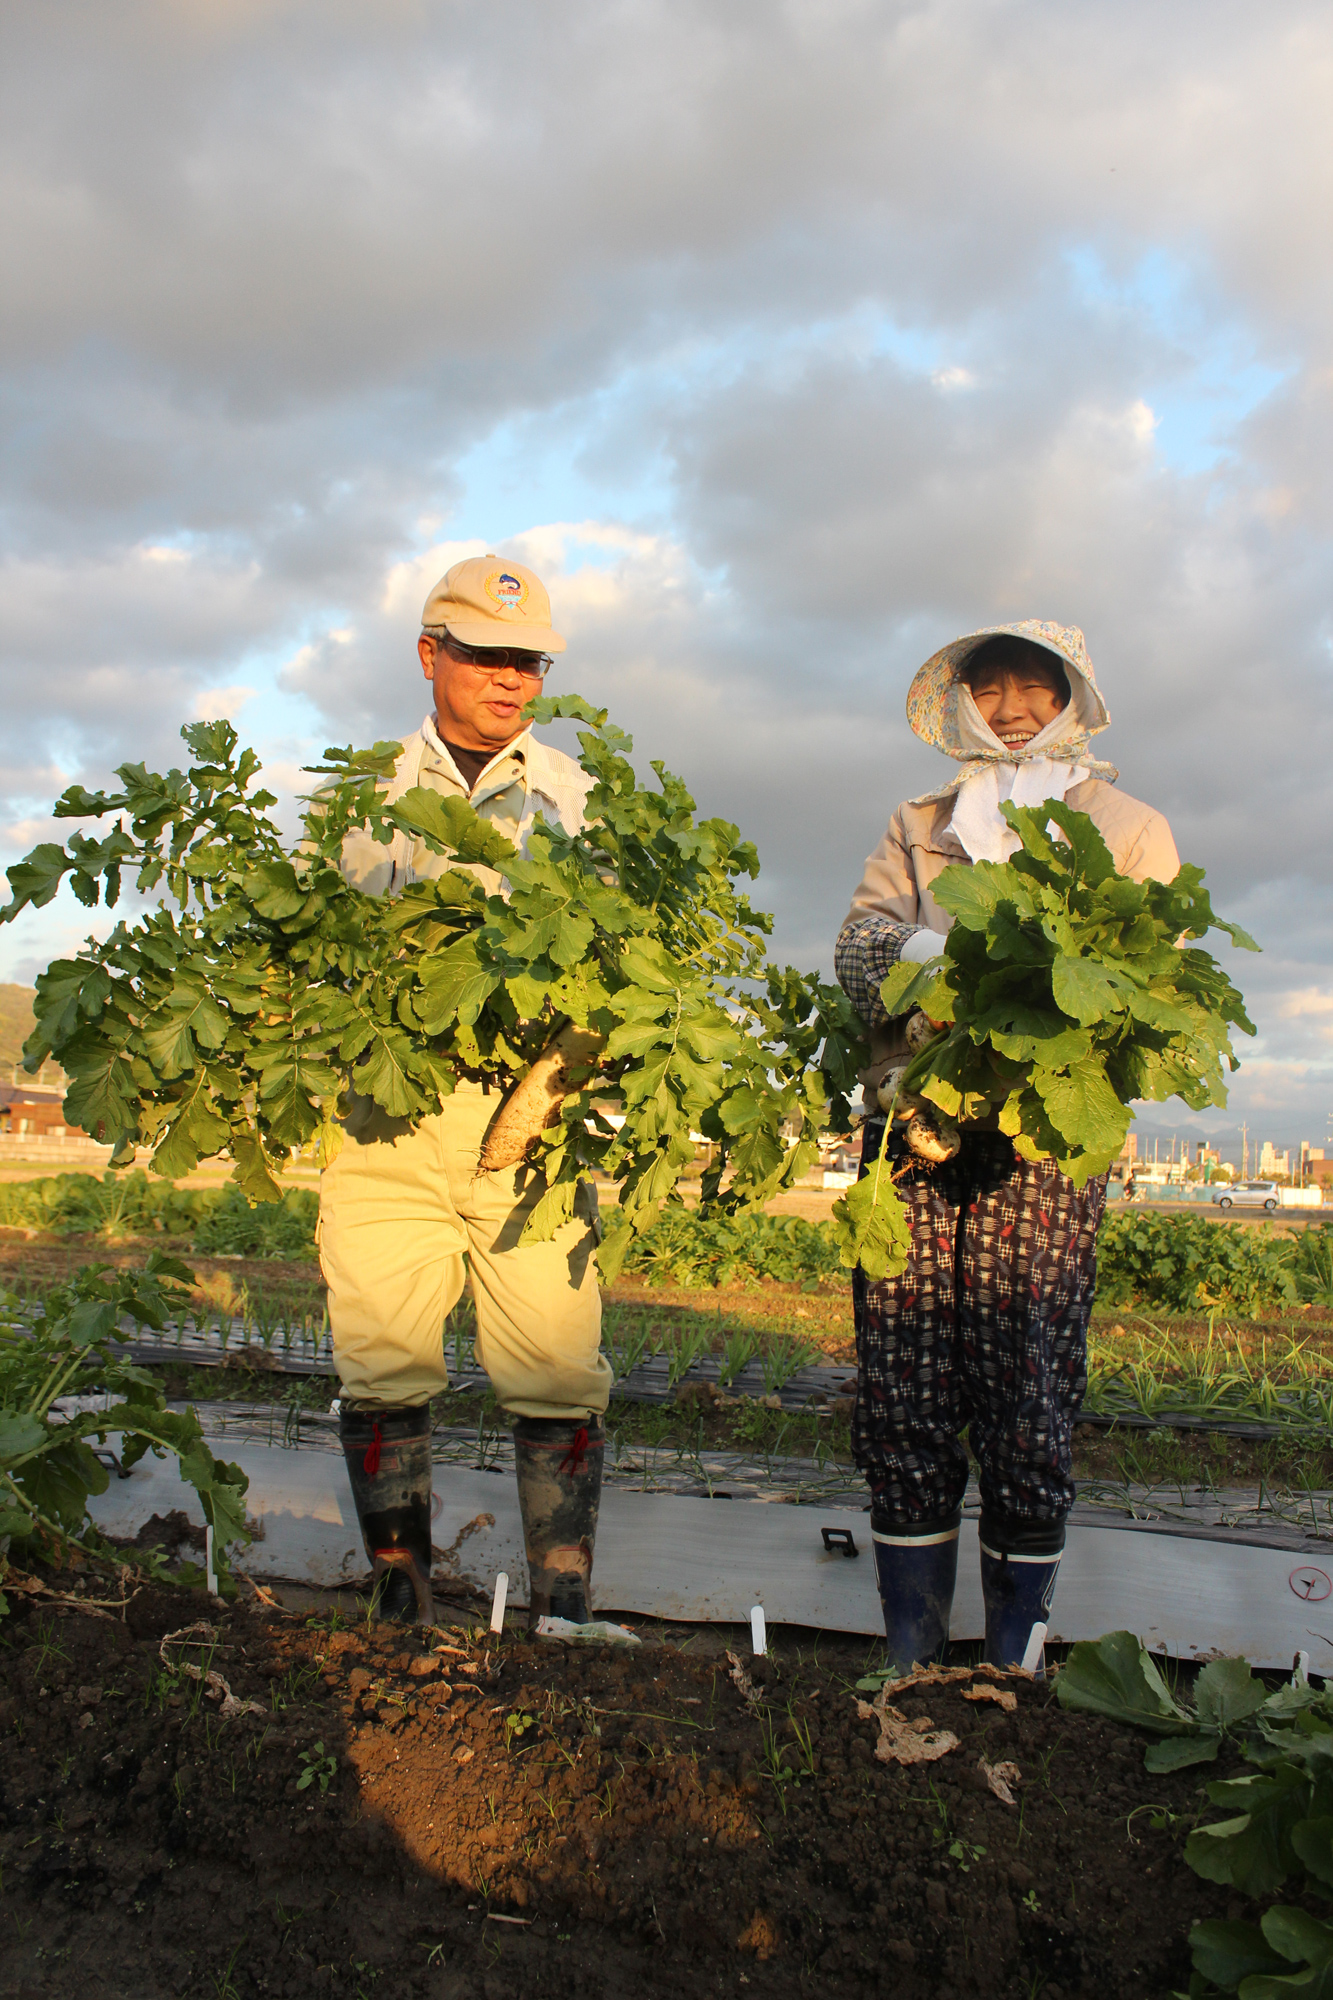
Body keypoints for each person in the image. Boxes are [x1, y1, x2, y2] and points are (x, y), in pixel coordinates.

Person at [834, 621, 1178, 1674]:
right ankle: (911, 1651)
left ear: (1071, 698)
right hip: (914, 1124)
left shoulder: (1124, 826)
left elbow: (1141, 990)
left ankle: (1012, 1659)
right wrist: (944, 958)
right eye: (993, 687)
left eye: (1037, 685)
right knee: (902, 1379)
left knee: (1024, 1379)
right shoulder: (921, 819)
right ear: (965, 703)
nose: (1014, 705)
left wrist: (1026, 988)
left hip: (1039, 1140)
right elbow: (859, 949)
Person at [320, 553, 611, 1626]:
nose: (511, 679)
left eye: (528, 661)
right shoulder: (365, 792)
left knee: (555, 1360)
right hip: (386, 1114)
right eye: (486, 655)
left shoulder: (576, 796)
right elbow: (319, 948)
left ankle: (565, 1601)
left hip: (524, 1116)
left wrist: (562, 1075)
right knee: (382, 1353)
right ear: (429, 654)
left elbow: (616, 964)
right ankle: (400, 1594)